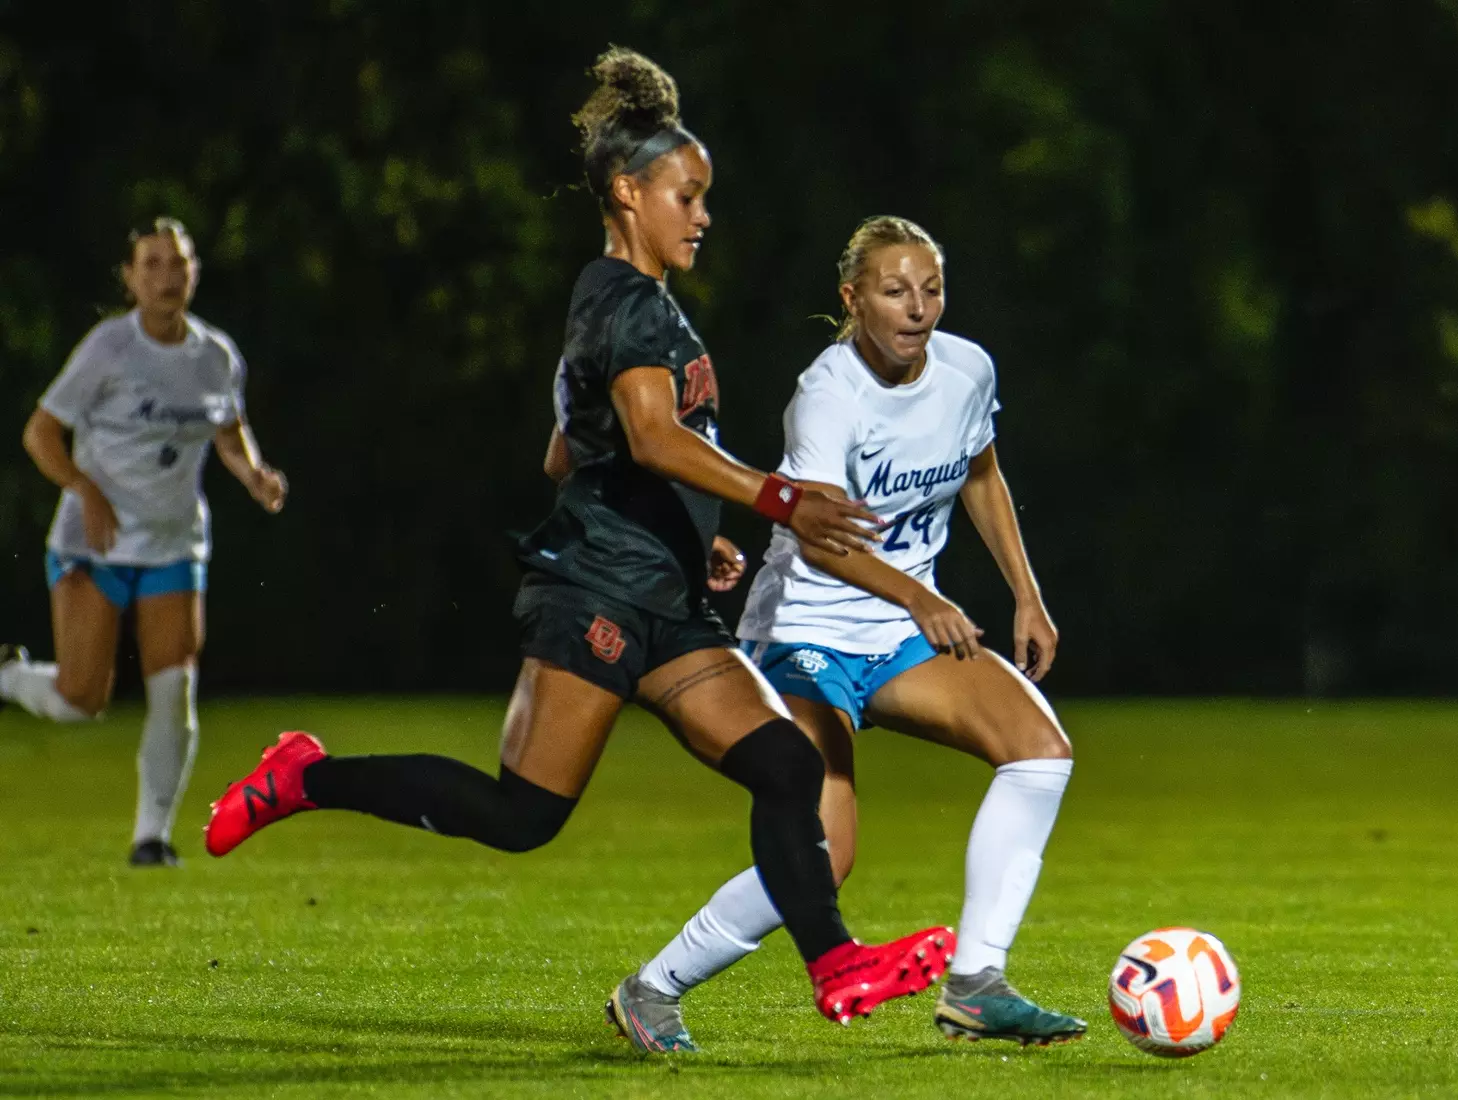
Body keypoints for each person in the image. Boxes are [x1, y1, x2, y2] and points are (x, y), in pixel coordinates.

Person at [200, 49, 952, 1037]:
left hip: (664, 597)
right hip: (595, 590)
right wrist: (778, 499)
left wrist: (693, 534)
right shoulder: (625, 300)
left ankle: (836, 962)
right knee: (523, 815)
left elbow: (569, 452)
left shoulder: (630, 306)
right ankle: (305, 774)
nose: (703, 215)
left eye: (705, 197)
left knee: (784, 763)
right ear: (630, 192)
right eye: (688, 195)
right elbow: (648, 436)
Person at [610, 216, 1086, 1051]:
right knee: (825, 854)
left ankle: (976, 983)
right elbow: (822, 539)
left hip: (899, 629)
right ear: (851, 298)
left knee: (1038, 749)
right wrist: (916, 597)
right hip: (804, 632)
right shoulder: (827, 396)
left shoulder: (967, 369)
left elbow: (981, 472)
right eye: (894, 291)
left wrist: (1026, 594)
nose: (917, 309)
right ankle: (652, 990)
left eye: (930, 289)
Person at [0, 218, 289, 868]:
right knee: (81, 702)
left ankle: (151, 839)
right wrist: (85, 487)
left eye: (178, 264)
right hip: (93, 543)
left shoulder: (215, 355)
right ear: (130, 278)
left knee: (174, 687)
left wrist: (254, 475)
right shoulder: (109, 348)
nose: (166, 276)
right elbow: (40, 434)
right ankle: (12, 675)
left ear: (193, 274)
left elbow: (227, 428)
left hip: (172, 544)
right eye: (152, 264)